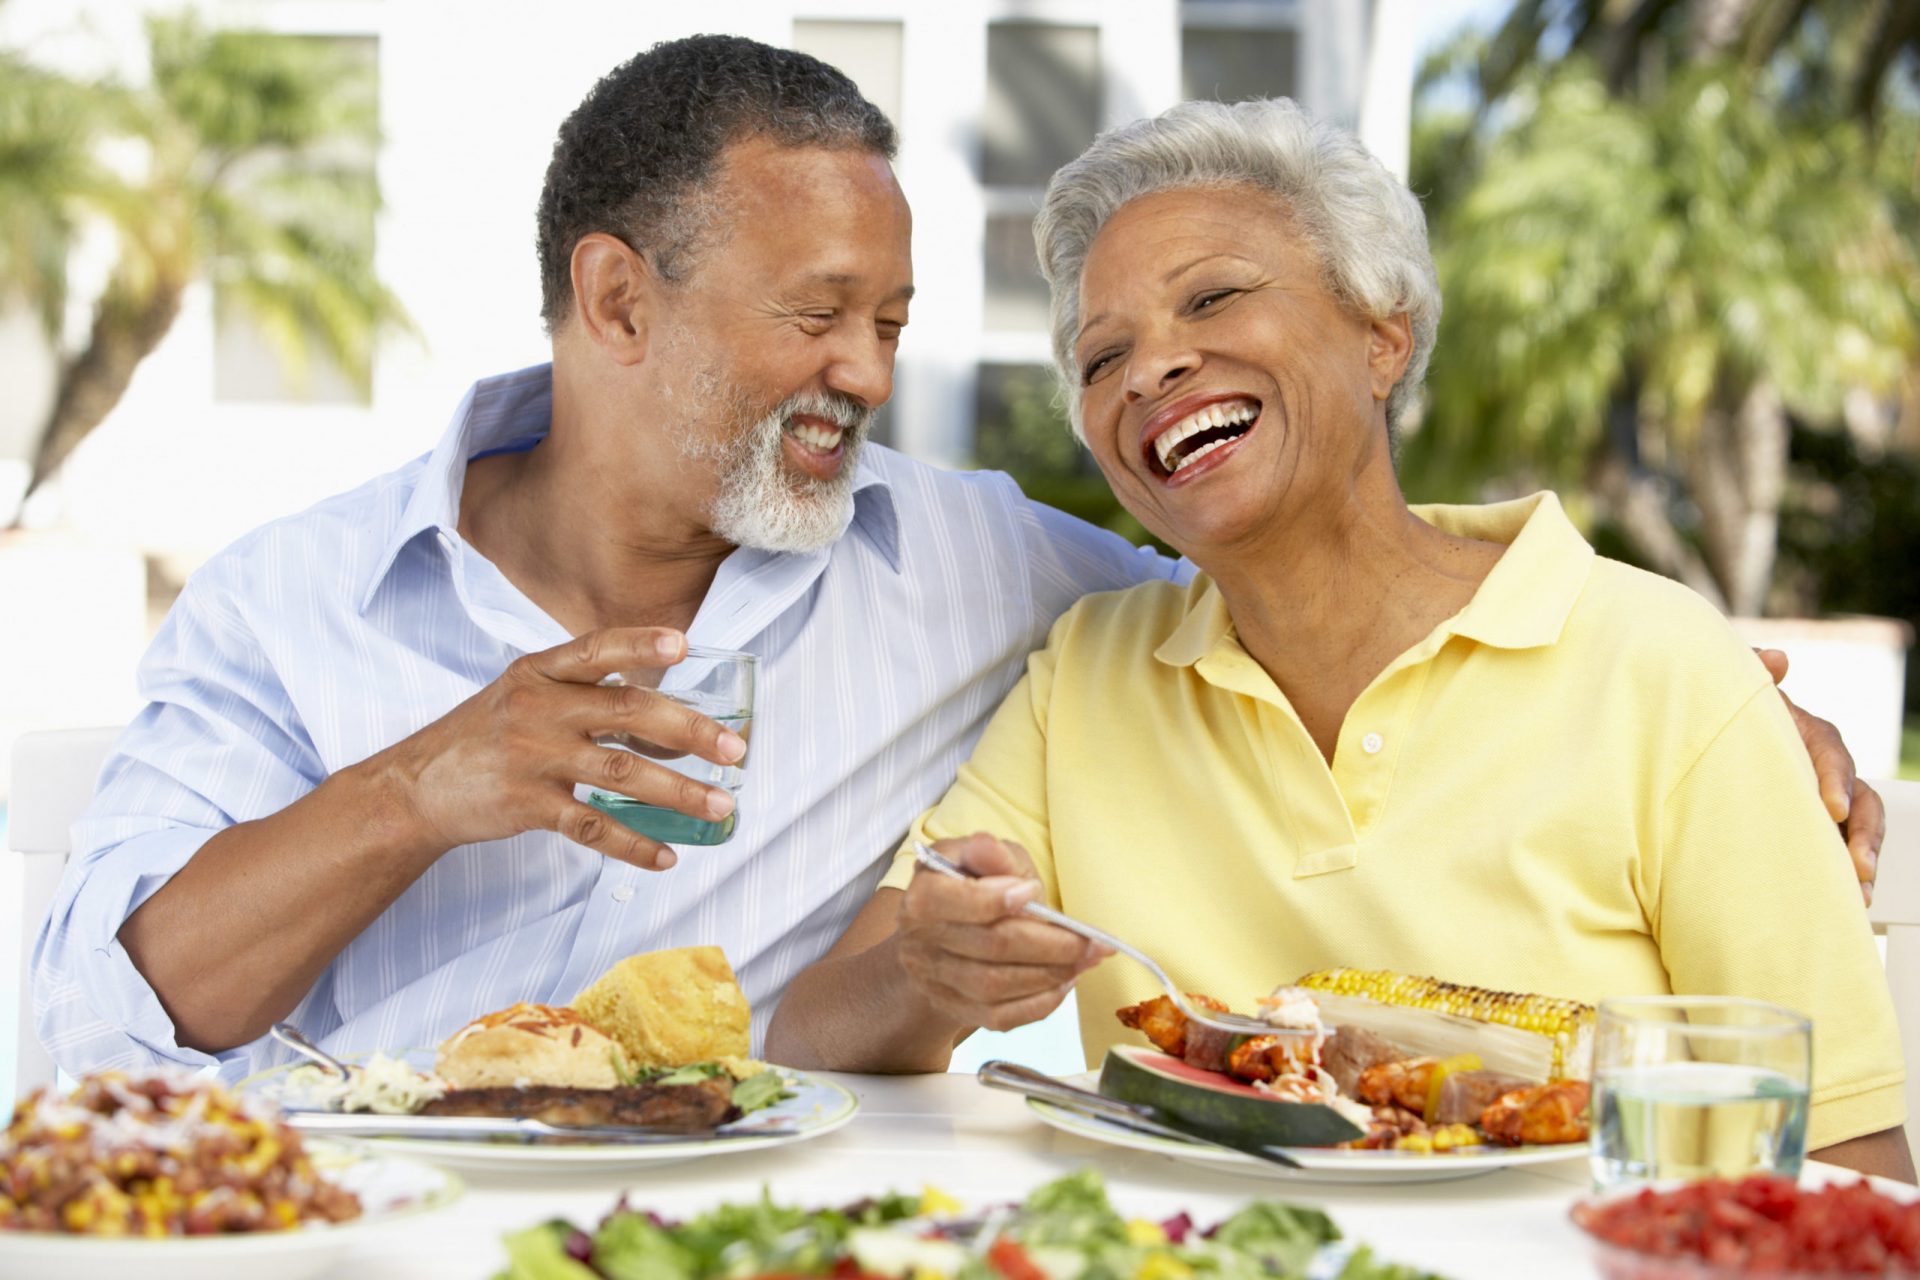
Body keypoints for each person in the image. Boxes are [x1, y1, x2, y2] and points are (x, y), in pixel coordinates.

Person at [31, 37, 1880, 1085]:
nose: (868, 374)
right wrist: (422, 792)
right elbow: (100, 1022)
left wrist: (1713, 706)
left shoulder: (980, 572)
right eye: (819, 312)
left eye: (896, 319)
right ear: (618, 299)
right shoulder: (287, 601)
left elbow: (1287, 544)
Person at [764, 97, 1911, 1180]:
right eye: (1103, 357)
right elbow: (816, 1026)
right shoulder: (1087, 677)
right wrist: (932, 971)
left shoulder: (1662, 669)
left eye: (1211, 299)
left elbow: (1849, 1177)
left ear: (1383, 338)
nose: (1151, 366)